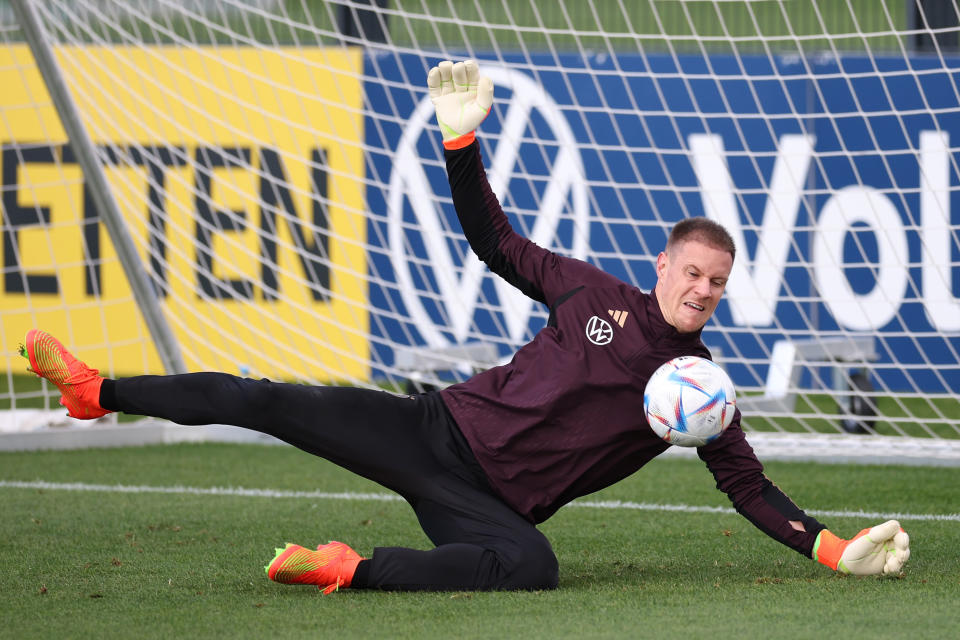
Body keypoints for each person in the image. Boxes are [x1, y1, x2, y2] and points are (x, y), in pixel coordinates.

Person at [20, 60, 910, 594]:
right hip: (432, 429)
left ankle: (342, 569)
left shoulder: (704, 393)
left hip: (483, 507)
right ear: (662, 268)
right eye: (691, 274)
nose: (702, 291)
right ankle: (97, 391)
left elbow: (748, 489)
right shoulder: (590, 294)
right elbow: (494, 241)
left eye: (717, 283)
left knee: (533, 567)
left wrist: (836, 550)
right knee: (266, 400)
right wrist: (460, 146)